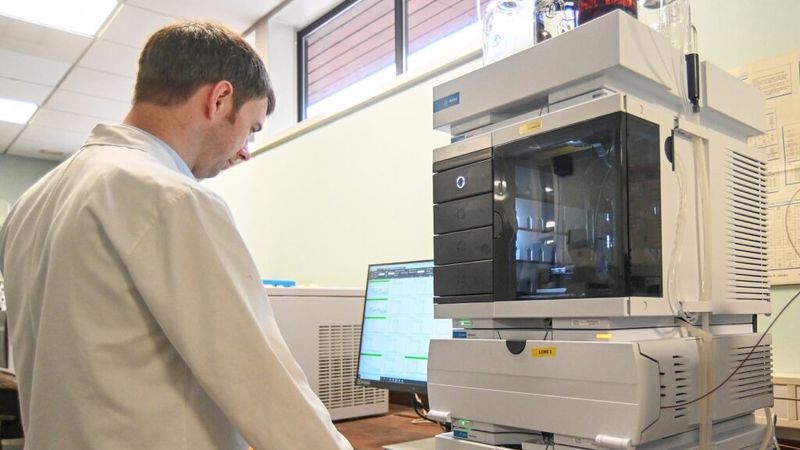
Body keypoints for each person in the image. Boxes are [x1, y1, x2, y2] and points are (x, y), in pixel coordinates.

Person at [0, 22, 353, 450]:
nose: (244, 151)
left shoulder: (31, 203)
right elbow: (261, 379)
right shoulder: (168, 196)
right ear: (220, 99)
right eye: (252, 128)